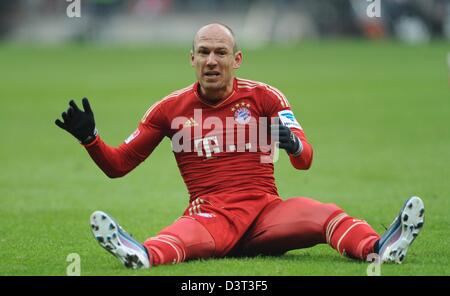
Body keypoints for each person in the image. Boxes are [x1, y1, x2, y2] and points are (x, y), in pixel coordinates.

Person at [55, 23, 424, 269]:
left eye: (220, 52)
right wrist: (91, 139)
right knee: (179, 238)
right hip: (211, 215)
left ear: (237, 59)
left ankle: (381, 248)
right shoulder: (168, 109)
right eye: (203, 52)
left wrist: (292, 143)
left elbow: (305, 160)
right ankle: (140, 254)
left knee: (324, 214)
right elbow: (119, 165)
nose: (211, 60)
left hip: (266, 214)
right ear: (192, 59)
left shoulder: (266, 97)